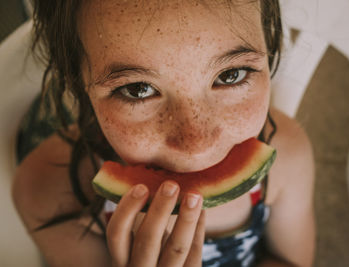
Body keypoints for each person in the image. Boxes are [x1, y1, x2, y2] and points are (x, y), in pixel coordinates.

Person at [12, 0, 315, 266]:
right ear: (77, 83)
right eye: (137, 89)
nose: (196, 146)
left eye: (230, 75)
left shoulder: (287, 157)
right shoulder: (48, 191)